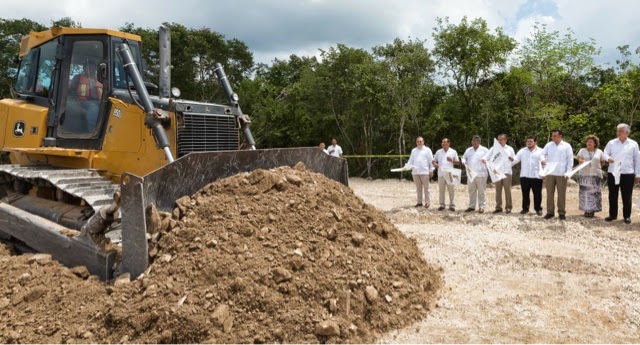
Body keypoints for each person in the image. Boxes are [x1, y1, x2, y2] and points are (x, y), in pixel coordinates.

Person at [602, 124, 640, 224]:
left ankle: (627, 216)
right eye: (617, 131)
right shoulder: (611, 143)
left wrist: (638, 174)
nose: (618, 133)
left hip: (628, 173)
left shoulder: (633, 144)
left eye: (620, 131)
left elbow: (637, 160)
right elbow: (604, 153)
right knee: (612, 194)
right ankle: (612, 215)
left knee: (627, 195)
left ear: (626, 132)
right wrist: (608, 158)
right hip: (613, 172)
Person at [541, 129, 574, 220]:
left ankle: (562, 212)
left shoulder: (567, 146)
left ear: (560, 136)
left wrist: (568, 172)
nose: (553, 137)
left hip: (561, 173)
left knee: (561, 194)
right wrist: (543, 159)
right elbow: (542, 154)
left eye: (555, 136)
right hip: (550, 173)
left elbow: (570, 160)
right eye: (552, 136)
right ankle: (550, 212)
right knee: (549, 193)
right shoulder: (548, 145)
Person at [482, 134, 516, 213]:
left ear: (505, 140)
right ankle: (498, 207)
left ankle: (508, 207)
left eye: (501, 139)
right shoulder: (493, 148)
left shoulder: (510, 149)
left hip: (507, 172)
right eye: (498, 139)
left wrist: (511, 160)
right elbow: (485, 157)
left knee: (508, 190)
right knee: (498, 190)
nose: (500, 141)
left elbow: (515, 159)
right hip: (496, 172)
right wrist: (485, 161)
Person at [511, 136, 544, 216]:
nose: (528, 143)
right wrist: (510, 160)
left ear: (535, 142)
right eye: (527, 141)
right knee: (525, 193)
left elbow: (545, 162)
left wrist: (545, 173)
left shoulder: (541, 151)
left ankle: (538, 209)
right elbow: (515, 160)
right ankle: (525, 209)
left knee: (537, 194)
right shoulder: (522, 151)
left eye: (531, 141)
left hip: (536, 176)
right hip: (524, 176)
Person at [69, 60, 103, 130]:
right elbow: (71, 90)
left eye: (92, 68)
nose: (90, 70)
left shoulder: (100, 79)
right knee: (93, 108)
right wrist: (75, 103)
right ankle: (92, 131)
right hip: (83, 102)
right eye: (88, 68)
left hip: (100, 102)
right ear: (84, 69)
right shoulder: (78, 78)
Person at [577, 135, 605, 218]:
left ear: (595, 143)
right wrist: (582, 161)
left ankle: (592, 210)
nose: (589, 143)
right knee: (585, 193)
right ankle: (586, 210)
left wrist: (596, 167)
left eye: (591, 142)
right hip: (584, 175)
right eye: (587, 141)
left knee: (595, 193)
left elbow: (602, 162)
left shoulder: (599, 151)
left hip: (596, 175)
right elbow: (579, 158)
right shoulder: (582, 150)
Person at [462, 135, 489, 213]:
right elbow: (463, 157)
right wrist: (463, 161)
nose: (475, 143)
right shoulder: (468, 150)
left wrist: (486, 161)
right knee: (471, 190)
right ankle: (471, 206)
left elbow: (490, 159)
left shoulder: (485, 150)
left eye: (476, 141)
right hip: (470, 174)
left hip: (481, 174)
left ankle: (482, 206)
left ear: (479, 142)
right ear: (471, 142)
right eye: (473, 141)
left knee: (481, 191)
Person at [405, 136, 434, 208]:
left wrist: (431, 170)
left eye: (420, 141)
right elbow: (411, 160)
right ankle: (419, 202)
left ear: (423, 142)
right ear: (416, 142)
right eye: (418, 141)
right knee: (418, 188)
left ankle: (427, 202)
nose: (419, 143)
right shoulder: (413, 150)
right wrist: (406, 166)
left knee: (427, 189)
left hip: (425, 172)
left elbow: (431, 161)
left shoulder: (427, 150)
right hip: (415, 172)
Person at [433, 138, 459, 211]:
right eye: (442, 142)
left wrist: (452, 160)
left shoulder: (453, 152)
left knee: (451, 190)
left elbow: (457, 162)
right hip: (441, 174)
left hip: (450, 173)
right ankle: (442, 205)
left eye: (445, 142)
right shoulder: (438, 152)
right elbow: (433, 160)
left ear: (448, 143)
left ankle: (452, 205)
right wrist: (435, 164)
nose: (443, 144)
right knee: (441, 190)